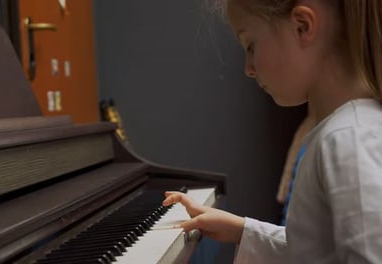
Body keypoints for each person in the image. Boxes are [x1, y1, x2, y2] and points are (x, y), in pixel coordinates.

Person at [163, 0, 382, 263]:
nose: (248, 68)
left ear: (302, 26)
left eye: (250, 46)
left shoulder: (348, 138)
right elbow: (317, 250)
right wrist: (242, 231)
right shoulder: (341, 131)